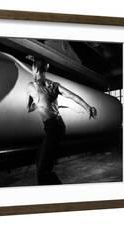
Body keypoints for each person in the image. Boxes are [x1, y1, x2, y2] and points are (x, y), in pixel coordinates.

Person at [26, 57, 97, 185]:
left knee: (43, 169)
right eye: (33, 71)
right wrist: (88, 107)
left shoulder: (35, 86)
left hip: (53, 127)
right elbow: (73, 96)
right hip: (57, 126)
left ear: (39, 71)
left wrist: (88, 107)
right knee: (40, 160)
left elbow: (29, 109)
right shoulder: (52, 86)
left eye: (35, 71)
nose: (34, 74)